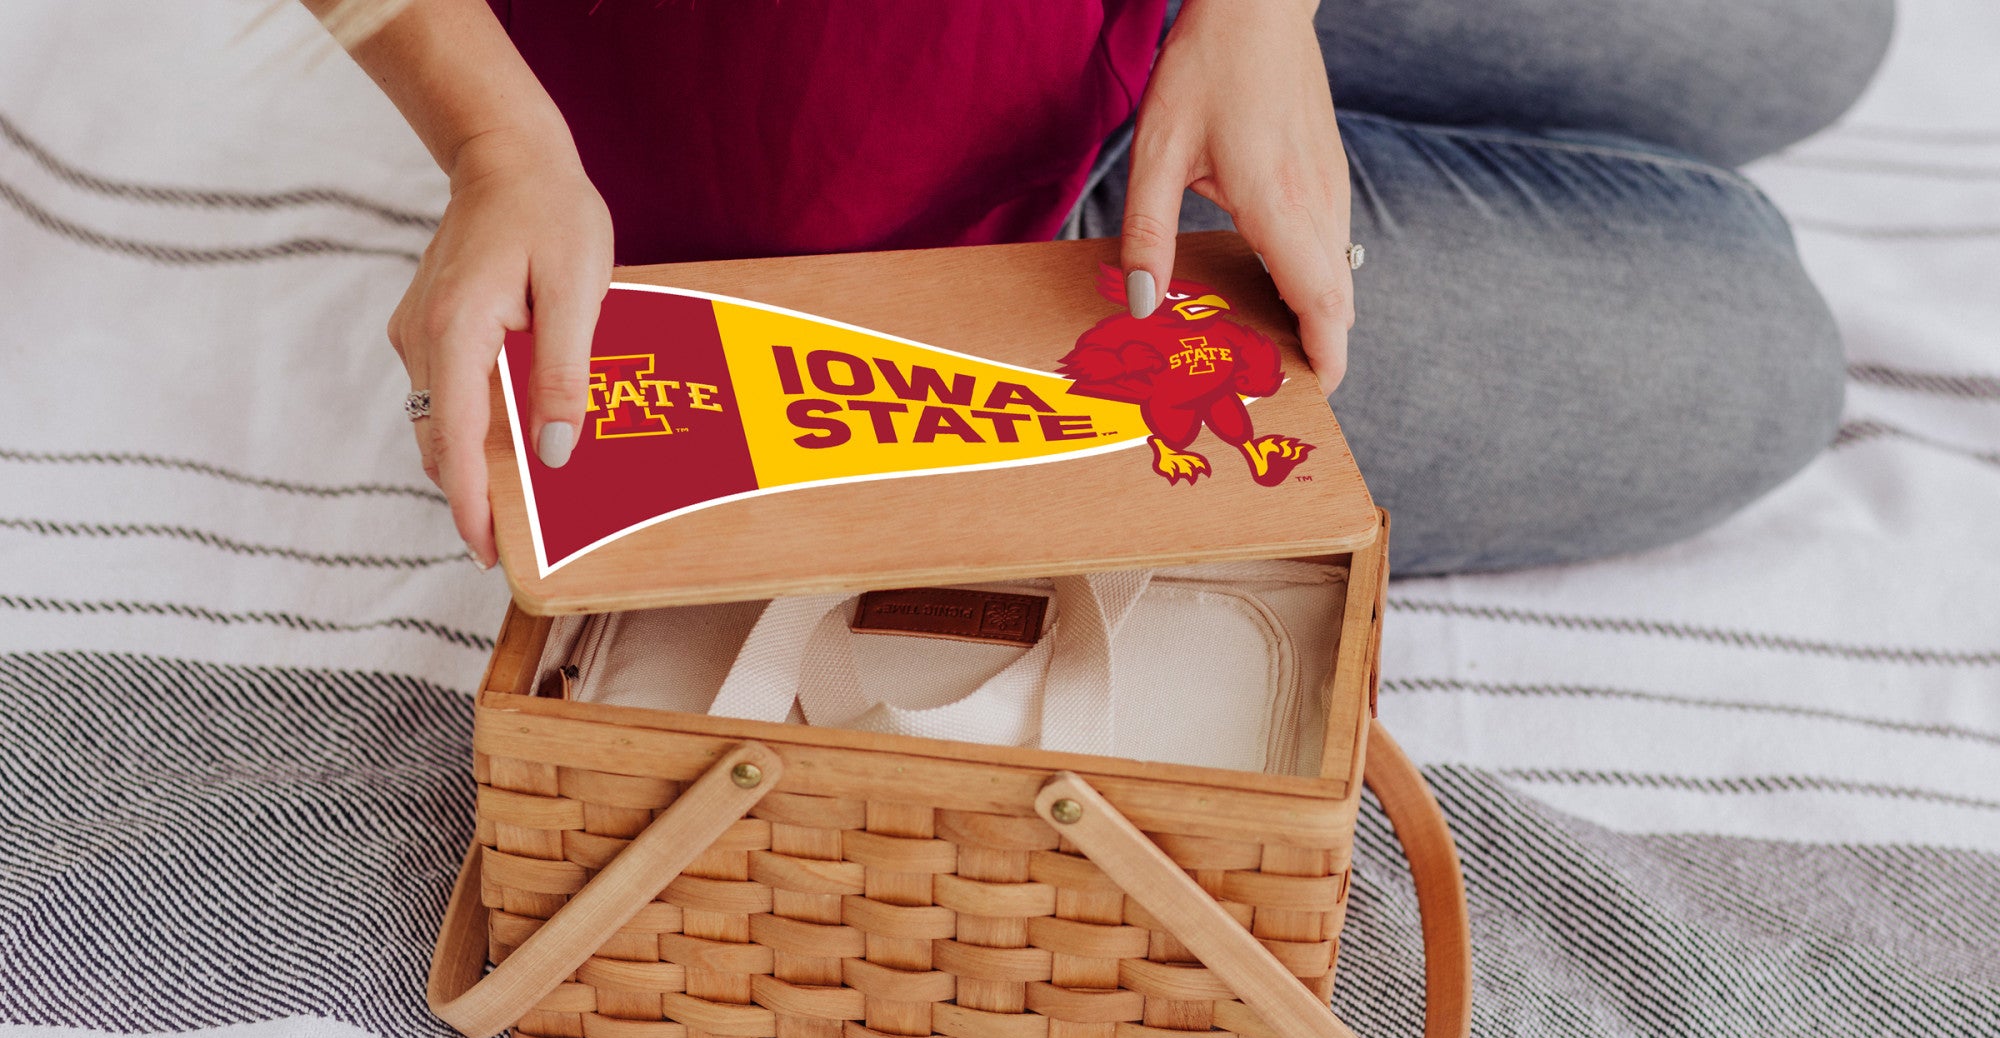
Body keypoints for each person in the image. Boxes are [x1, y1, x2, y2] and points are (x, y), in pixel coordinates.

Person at [312, 0, 1892, 576]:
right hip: (869, 204)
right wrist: (497, 134)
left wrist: (1261, 16)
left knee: (1818, 25)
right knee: (1758, 346)